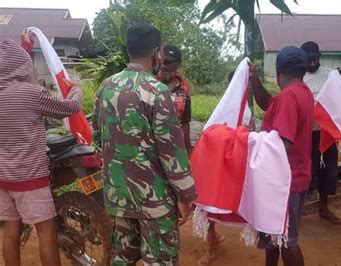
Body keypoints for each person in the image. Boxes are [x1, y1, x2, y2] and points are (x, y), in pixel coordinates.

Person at [93, 24, 196, 264]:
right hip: (155, 200)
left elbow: (99, 138)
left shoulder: (105, 88)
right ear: (157, 52)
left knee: (122, 257)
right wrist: (185, 195)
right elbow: (171, 151)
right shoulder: (158, 92)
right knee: (159, 260)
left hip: (118, 195)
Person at [0, 35, 83, 265]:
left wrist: (24, 45)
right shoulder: (31, 93)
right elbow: (70, 108)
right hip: (31, 178)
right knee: (46, 232)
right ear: (22, 65)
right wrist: (75, 90)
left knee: (11, 229)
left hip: (4, 179)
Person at [250, 46, 314, 266]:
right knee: (275, 233)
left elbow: (281, 144)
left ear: (279, 71)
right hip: (294, 175)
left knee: (286, 239)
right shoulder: (301, 92)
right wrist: (255, 82)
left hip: (286, 180)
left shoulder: (288, 97)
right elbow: (269, 104)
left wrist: (248, 142)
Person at [300, 41, 341, 224]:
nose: (313, 62)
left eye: (316, 57)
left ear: (320, 55)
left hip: (328, 134)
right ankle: (297, 210)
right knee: (306, 172)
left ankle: (323, 208)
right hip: (307, 134)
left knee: (328, 172)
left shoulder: (331, 74)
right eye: (309, 59)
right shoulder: (299, 77)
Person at [158, 44, 193, 153]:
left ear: (178, 64)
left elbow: (185, 122)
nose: (163, 66)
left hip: (175, 147)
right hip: (154, 148)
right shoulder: (150, 85)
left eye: (168, 62)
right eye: (161, 62)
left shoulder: (184, 90)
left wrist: (188, 151)